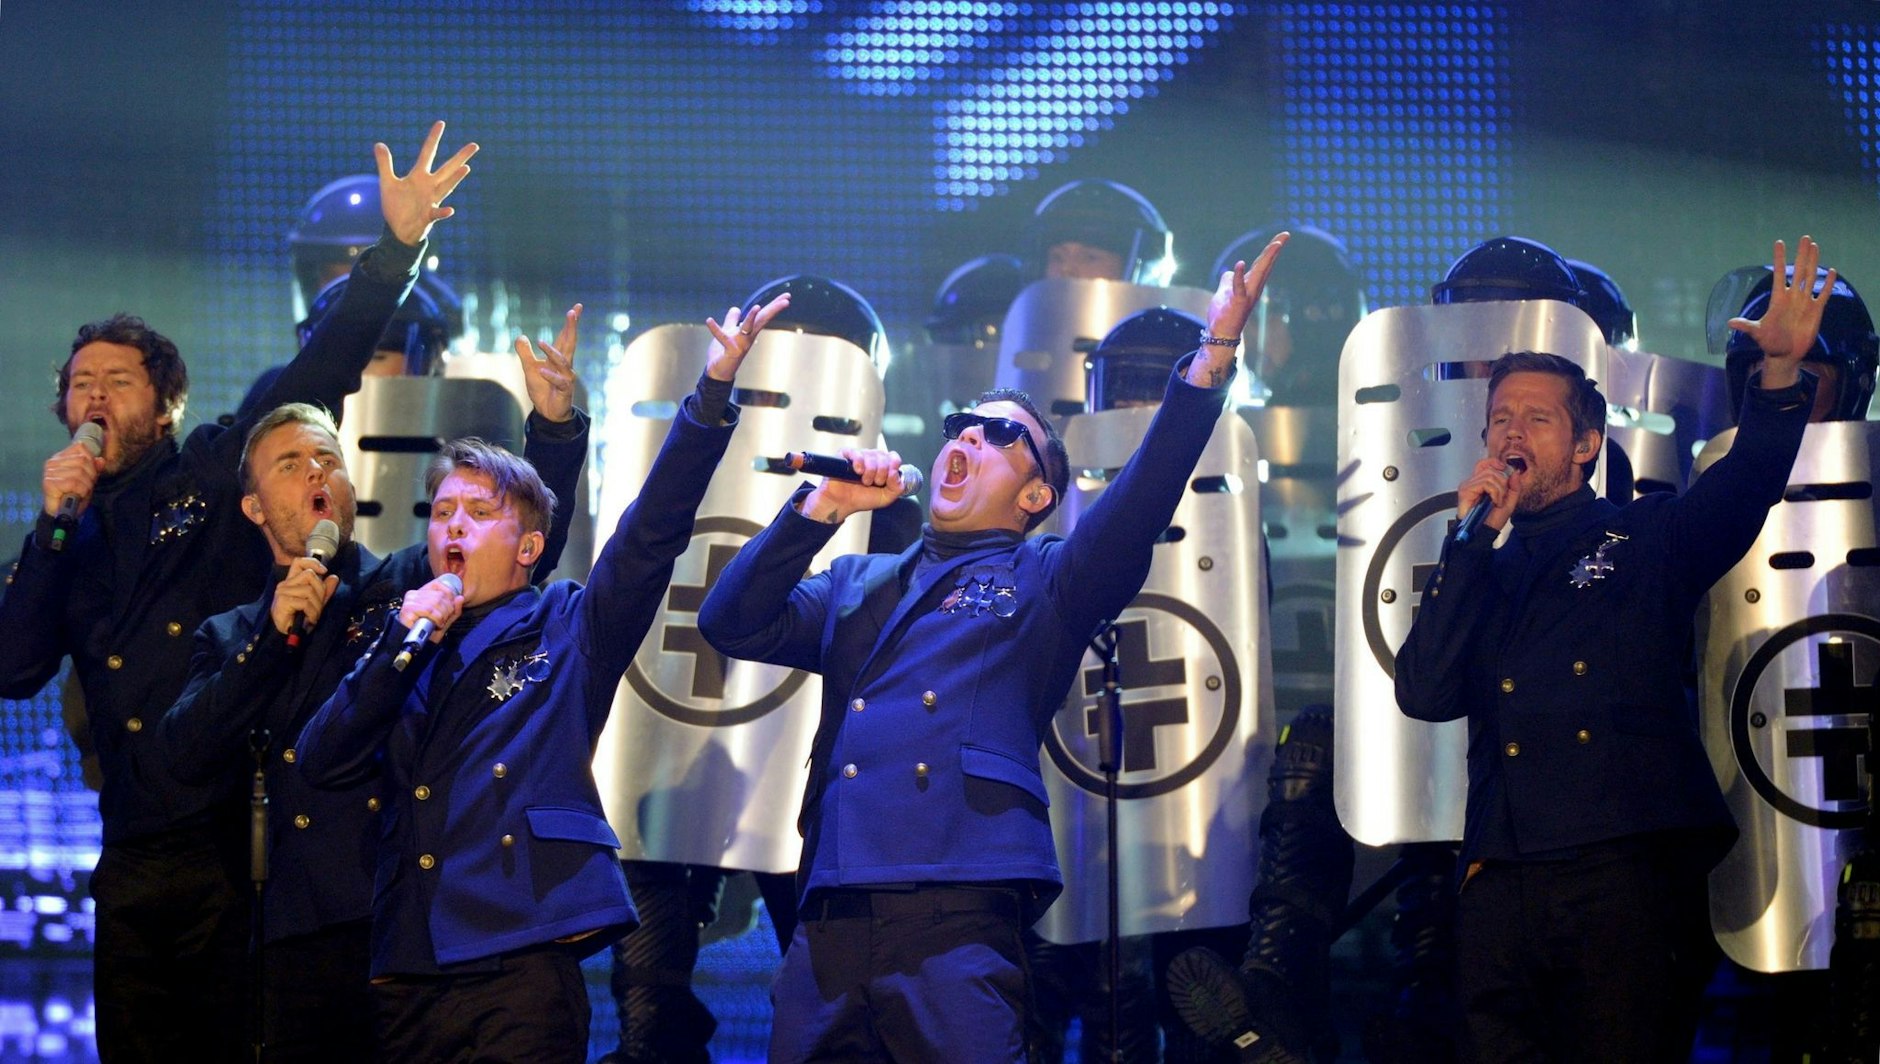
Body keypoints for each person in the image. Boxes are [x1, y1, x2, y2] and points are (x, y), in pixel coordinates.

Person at [698, 234, 1291, 1061]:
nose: (966, 439)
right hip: (830, 907)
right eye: (960, 426)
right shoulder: (858, 577)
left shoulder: (1048, 576)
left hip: (958, 904)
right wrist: (819, 507)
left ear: (1038, 493)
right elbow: (732, 623)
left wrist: (1212, 354)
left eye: (997, 436)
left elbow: (1142, 495)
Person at [0, 120, 475, 1063]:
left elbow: (324, 368)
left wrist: (396, 250)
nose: (96, 397)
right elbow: (15, 667)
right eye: (80, 384)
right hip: (130, 849)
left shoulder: (218, 470)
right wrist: (52, 529)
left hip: (234, 838)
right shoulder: (67, 531)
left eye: (120, 381)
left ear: (166, 401)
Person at [291, 293, 789, 1061]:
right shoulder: (406, 639)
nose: (452, 524)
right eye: (443, 509)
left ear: (529, 547)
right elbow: (321, 762)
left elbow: (652, 531)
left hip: (519, 958)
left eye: (478, 512)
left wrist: (712, 395)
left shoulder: (568, 624)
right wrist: (402, 638)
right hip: (404, 964)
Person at [1392, 237, 1832, 1061]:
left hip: (1621, 879)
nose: (1512, 433)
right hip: (1503, 881)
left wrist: (1777, 379)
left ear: (1587, 444)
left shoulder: (1644, 535)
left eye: (1537, 418)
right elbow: (1423, 692)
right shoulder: (1477, 561)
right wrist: (1463, 548)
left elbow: (1743, 490)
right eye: (1500, 419)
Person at [157, 307, 588, 1061]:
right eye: (290, 464)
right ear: (254, 506)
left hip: (396, 919)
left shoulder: (403, 588)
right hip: (283, 931)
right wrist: (269, 640)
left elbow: (513, 546)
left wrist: (551, 431)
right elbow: (183, 757)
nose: (316, 473)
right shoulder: (229, 635)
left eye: (328, 460)